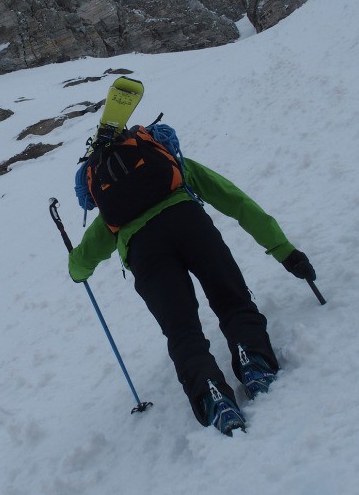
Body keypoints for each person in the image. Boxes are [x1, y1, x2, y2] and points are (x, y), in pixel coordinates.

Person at [68, 123, 316, 436]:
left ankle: (211, 393)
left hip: (144, 251)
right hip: (190, 223)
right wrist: (285, 251)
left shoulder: (111, 208)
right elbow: (235, 200)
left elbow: (80, 265)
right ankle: (252, 357)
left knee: (182, 331)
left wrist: (76, 266)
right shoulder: (172, 165)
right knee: (231, 299)